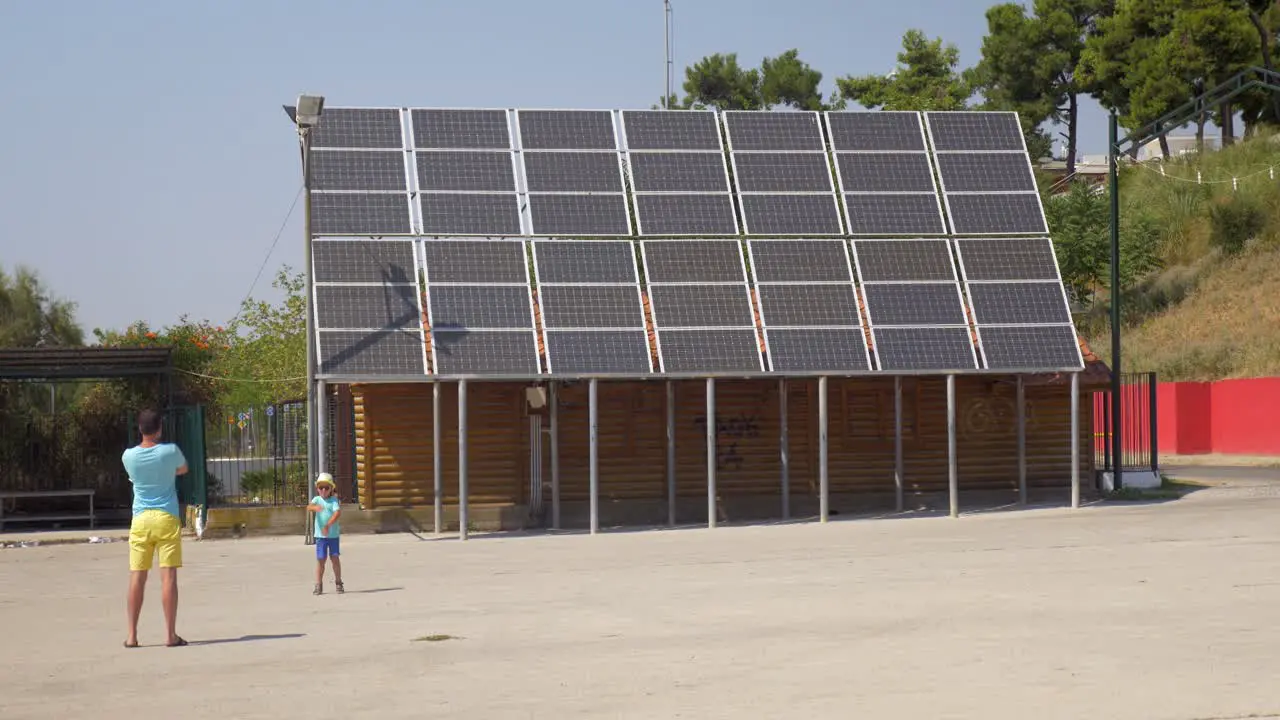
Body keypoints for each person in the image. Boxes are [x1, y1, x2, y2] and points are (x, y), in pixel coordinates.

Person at [121, 409, 189, 648]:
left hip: (140, 519)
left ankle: (132, 635)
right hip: (166, 517)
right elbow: (183, 469)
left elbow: (133, 478)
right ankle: (170, 635)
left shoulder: (128, 456)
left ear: (140, 429)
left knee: (137, 576)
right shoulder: (170, 451)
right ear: (159, 428)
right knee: (168, 577)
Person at [307, 473, 343, 595]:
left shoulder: (333, 500)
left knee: (335, 559)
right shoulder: (317, 500)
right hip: (321, 537)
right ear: (317, 489)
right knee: (320, 560)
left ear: (331, 489)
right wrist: (314, 508)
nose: (323, 490)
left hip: (333, 536)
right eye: (320, 487)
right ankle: (318, 585)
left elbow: (337, 513)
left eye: (326, 488)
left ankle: (338, 582)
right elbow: (309, 507)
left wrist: (328, 525)